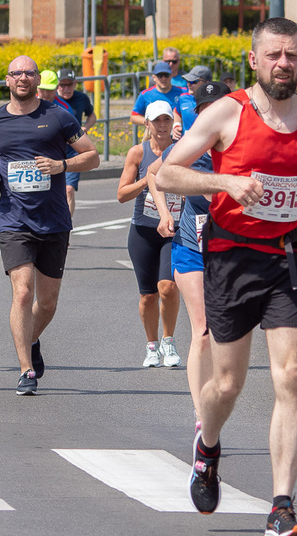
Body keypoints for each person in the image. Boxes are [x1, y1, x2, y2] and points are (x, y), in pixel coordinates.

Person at [157, 18, 297, 536]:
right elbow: (167, 173)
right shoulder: (227, 112)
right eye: (275, 55)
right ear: (255, 60)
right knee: (227, 384)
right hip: (231, 259)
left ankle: (281, 506)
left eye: (293, 55)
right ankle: (208, 446)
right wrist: (225, 181)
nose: (285, 63)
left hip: (290, 259)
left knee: (291, 375)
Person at [0, 55, 99, 396]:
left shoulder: (58, 116)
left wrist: (61, 164)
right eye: (16, 73)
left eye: (29, 73)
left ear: (36, 80)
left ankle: (31, 338)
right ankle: (25, 370)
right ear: (7, 79)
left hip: (54, 221)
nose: (23, 78)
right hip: (15, 221)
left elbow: (92, 156)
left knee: (47, 303)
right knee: (22, 292)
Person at [147, 81, 231, 426]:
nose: (210, 112)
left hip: (229, 252)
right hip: (190, 248)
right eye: (204, 107)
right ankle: (201, 412)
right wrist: (165, 213)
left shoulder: (242, 148)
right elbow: (155, 174)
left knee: (226, 333)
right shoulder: (191, 146)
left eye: (217, 105)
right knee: (204, 329)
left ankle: (214, 396)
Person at [117, 100, 182, 368]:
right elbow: (121, 194)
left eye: (167, 120)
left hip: (175, 229)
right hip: (143, 230)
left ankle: (169, 340)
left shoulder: (183, 150)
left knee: (167, 287)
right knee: (148, 295)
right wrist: (149, 178)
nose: (162, 125)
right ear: (147, 123)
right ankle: (152, 345)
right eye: (157, 121)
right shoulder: (138, 153)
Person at [57, 68, 97, 218]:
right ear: (57, 85)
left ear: (75, 84)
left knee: (68, 189)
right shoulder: (52, 100)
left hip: (74, 150)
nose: (66, 88)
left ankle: (66, 227)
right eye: (62, 85)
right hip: (55, 150)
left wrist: (86, 127)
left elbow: (92, 115)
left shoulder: (81, 99)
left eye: (69, 84)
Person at [131, 61, 184, 127]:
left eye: (166, 75)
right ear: (154, 77)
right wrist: (152, 122)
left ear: (171, 76)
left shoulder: (183, 92)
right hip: (156, 135)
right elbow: (134, 117)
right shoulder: (145, 94)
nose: (163, 78)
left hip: (179, 134)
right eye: (160, 75)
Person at [172, 65, 212, 140]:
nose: (189, 84)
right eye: (187, 81)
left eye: (193, 81)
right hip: (186, 146)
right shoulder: (183, 98)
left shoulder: (215, 102)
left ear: (206, 83)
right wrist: (176, 125)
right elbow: (176, 112)